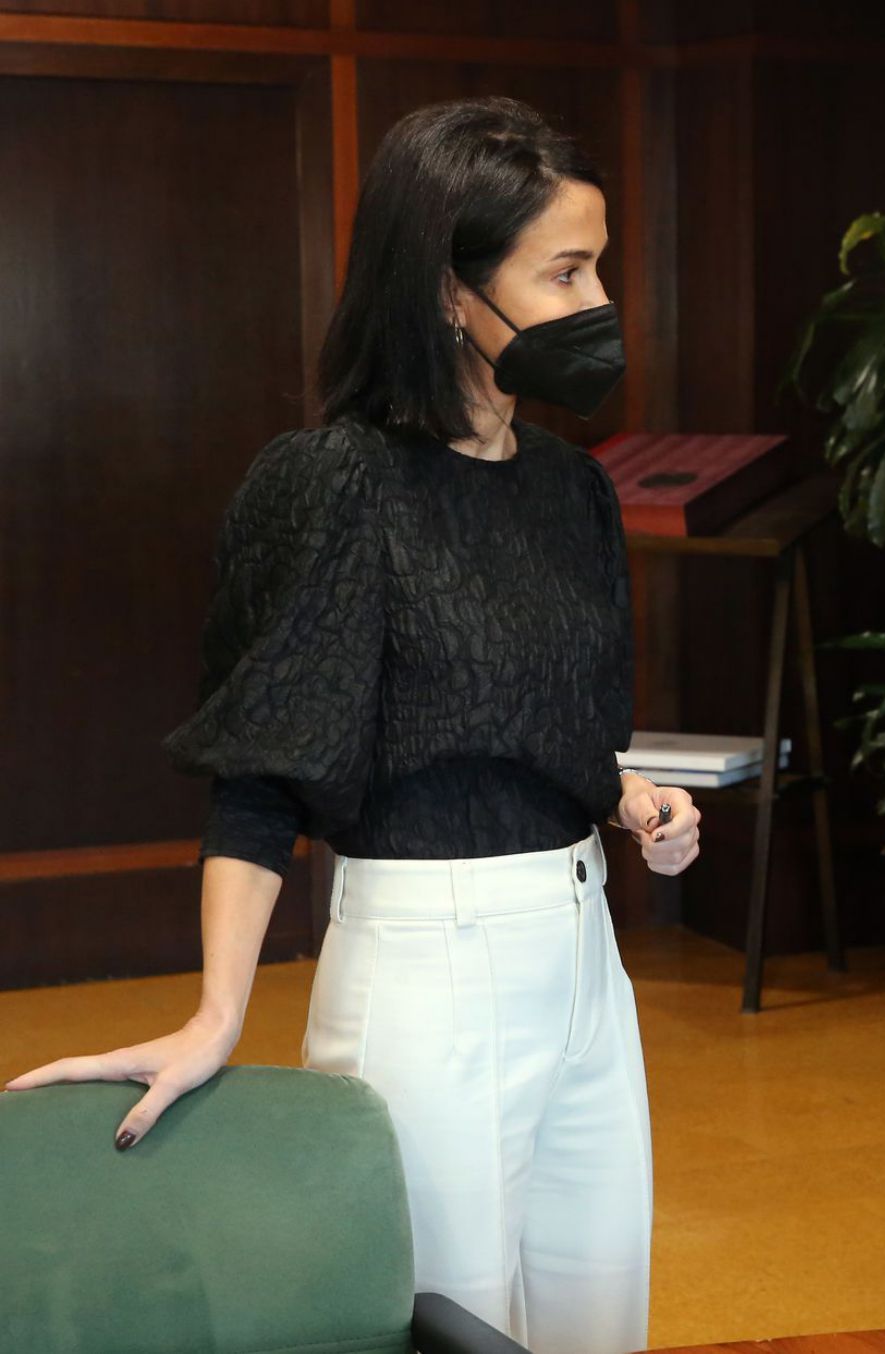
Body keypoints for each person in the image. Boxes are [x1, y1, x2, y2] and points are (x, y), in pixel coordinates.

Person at [6, 97, 698, 1354]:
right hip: (434, 965)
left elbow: (562, 734)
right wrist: (218, 1010)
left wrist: (632, 801)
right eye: (565, 271)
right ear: (448, 292)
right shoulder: (333, 483)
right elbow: (265, 773)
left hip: (585, 953)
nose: (600, 303)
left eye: (600, 266)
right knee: (446, 1323)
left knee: (604, 1321)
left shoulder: (573, 487)